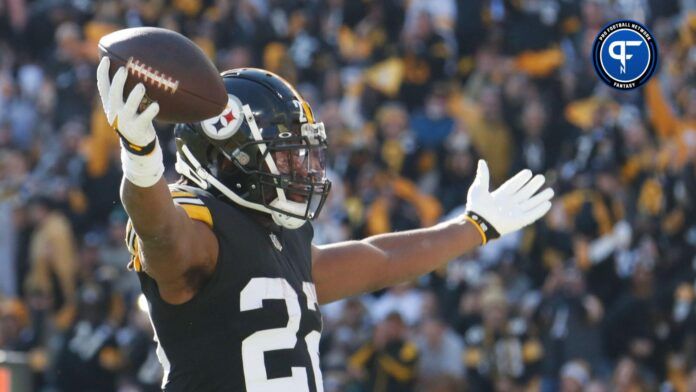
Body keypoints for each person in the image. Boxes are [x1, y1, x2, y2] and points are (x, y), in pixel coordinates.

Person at [95, 57, 553, 391]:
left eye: (305, 154)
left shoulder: (282, 234)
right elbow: (161, 234)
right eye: (287, 154)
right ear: (228, 158)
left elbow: (380, 259)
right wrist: (141, 162)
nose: (303, 168)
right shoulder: (195, 220)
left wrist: (472, 226)